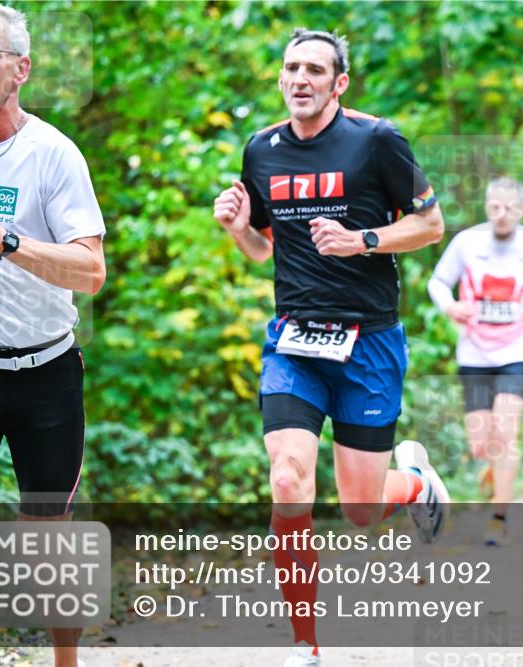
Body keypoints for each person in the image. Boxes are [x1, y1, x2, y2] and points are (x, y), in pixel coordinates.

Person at [212, 28, 447, 667]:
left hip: (369, 340)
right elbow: (264, 247)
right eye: (292, 67)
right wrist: (238, 229)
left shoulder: (376, 141)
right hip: (294, 340)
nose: (300, 79)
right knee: (288, 479)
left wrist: (362, 240)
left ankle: (417, 482)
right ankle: (306, 646)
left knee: (361, 509)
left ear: (339, 83)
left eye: (315, 69)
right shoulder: (261, 150)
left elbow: (431, 224)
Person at [0, 3, 106, 666]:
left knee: (48, 545)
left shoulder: (53, 155)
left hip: (45, 374)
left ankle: (64, 661)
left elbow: (91, 270)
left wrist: (8, 241)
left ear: (21, 70)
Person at [427, 176, 523, 546]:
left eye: (510, 208)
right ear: (486, 207)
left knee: (506, 433)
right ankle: (494, 476)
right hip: (475, 351)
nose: (502, 214)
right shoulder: (467, 243)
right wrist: (450, 306)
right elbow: (438, 282)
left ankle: (498, 517)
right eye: (495, 207)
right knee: (482, 444)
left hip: (519, 351)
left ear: (522, 210)